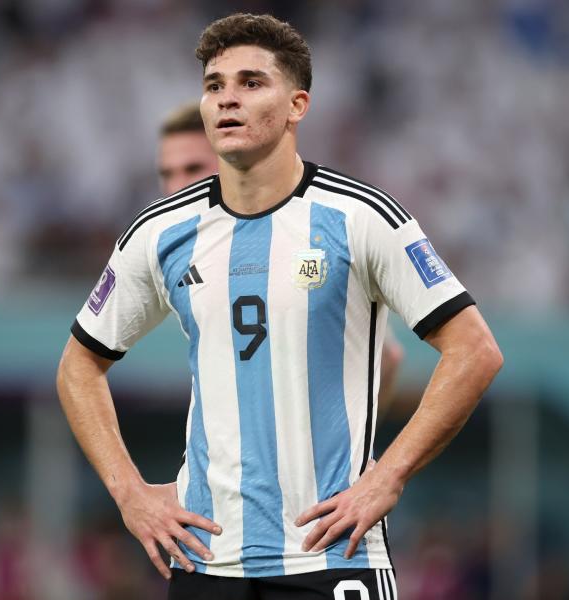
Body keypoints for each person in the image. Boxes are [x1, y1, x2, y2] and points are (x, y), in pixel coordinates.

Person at [57, 13, 503, 599]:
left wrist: (388, 477)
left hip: (330, 558)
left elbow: (473, 350)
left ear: (297, 105)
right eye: (215, 86)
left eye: (250, 83)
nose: (226, 100)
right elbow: (78, 366)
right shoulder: (160, 233)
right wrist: (129, 493)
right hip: (206, 562)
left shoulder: (359, 218)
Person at [157, 102, 406, 417]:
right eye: (167, 173)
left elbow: (387, 357)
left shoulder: (298, 236)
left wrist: (345, 446)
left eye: (193, 168)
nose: (176, 186)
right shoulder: (165, 246)